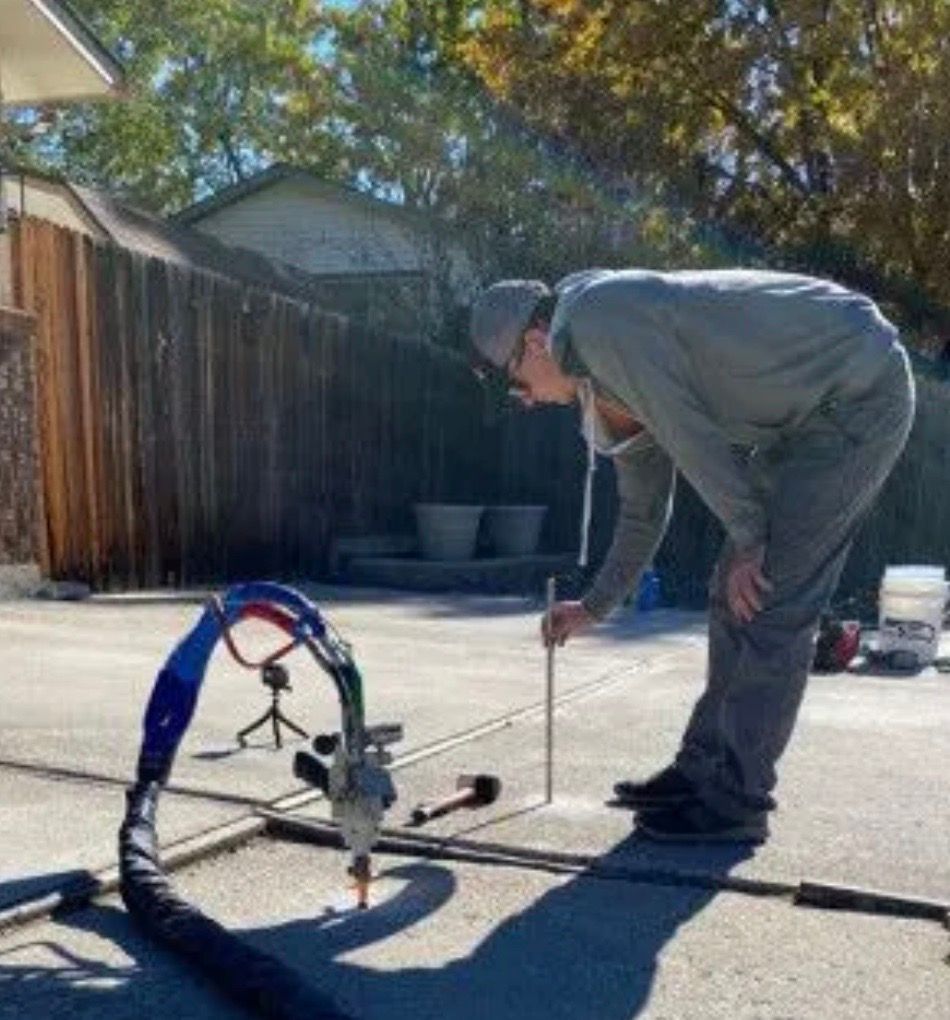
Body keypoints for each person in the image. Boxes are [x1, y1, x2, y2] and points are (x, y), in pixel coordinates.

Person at [469, 268, 915, 843]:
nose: (523, 400)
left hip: (858, 397)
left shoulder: (598, 319)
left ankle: (738, 800)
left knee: (771, 594)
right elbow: (642, 514)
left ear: (534, 343)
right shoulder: (606, 378)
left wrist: (753, 539)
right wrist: (595, 607)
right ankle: (700, 769)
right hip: (804, 421)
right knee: (731, 587)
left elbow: (689, 435)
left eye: (515, 382)